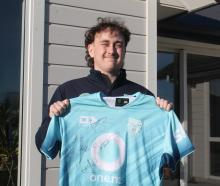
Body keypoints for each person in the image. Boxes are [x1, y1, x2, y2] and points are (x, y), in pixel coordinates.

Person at [35, 17, 173, 154]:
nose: (111, 51)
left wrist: (164, 119)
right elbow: (45, 148)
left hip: (129, 176)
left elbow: (159, 151)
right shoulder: (69, 92)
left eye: (118, 45)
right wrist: (54, 119)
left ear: (124, 51)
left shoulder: (143, 96)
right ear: (91, 50)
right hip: (84, 175)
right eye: (105, 44)